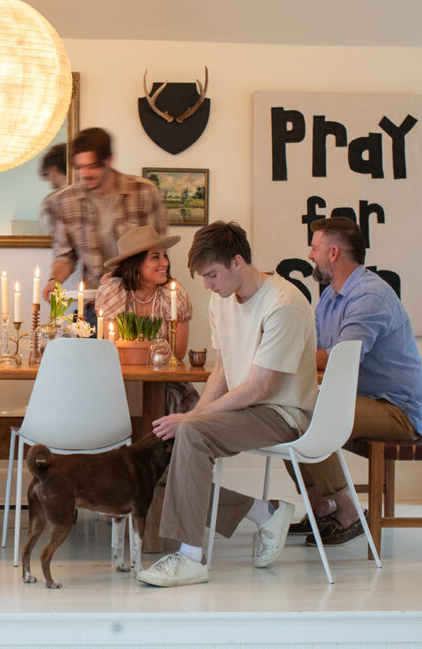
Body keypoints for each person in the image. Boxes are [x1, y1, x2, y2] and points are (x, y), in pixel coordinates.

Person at [137, 221, 318, 588]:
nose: (206, 285)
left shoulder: (285, 305)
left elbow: (258, 388)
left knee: (191, 434)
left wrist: (191, 419)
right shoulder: (221, 299)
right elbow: (221, 370)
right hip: (248, 408)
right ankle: (263, 512)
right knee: (166, 456)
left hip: (283, 412)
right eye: (203, 277)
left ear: (238, 262)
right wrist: (191, 417)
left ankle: (191, 559)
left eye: (212, 275)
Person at [288, 216, 422, 545]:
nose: (310, 255)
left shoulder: (370, 296)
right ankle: (322, 510)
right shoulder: (329, 297)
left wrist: (281, 355)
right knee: (287, 412)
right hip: (366, 400)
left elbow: (341, 358)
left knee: (315, 415)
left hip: (398, 410)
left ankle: (350, 513)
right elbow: (320, 354)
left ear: (333, 253)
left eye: (314, 247)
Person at [41, 128, 166, 324]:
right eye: (80, 167)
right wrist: (54, 281)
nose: (85, 174)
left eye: (92, 167)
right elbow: (65, 255)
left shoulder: (144, 193)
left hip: (141, 303)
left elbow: (159, 252)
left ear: (109, 160)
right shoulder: (66, 201)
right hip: (95, 304)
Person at [96, 225, 195, 410]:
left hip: (164, 384)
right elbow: (113, 351)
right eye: (155, 257)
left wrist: (163, 352)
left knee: (176, 405)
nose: (165, 262)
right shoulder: (114, 292)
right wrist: (154, 351)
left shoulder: (174, 293)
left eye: (164, 255)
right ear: (135, 263)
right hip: (120, 382)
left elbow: (178, 353)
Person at [38, 142, 68, 236]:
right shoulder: (87, 193)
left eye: (47, 175)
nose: (48, 181)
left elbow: (50, 240)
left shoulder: (49, 202)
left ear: (53, 170)